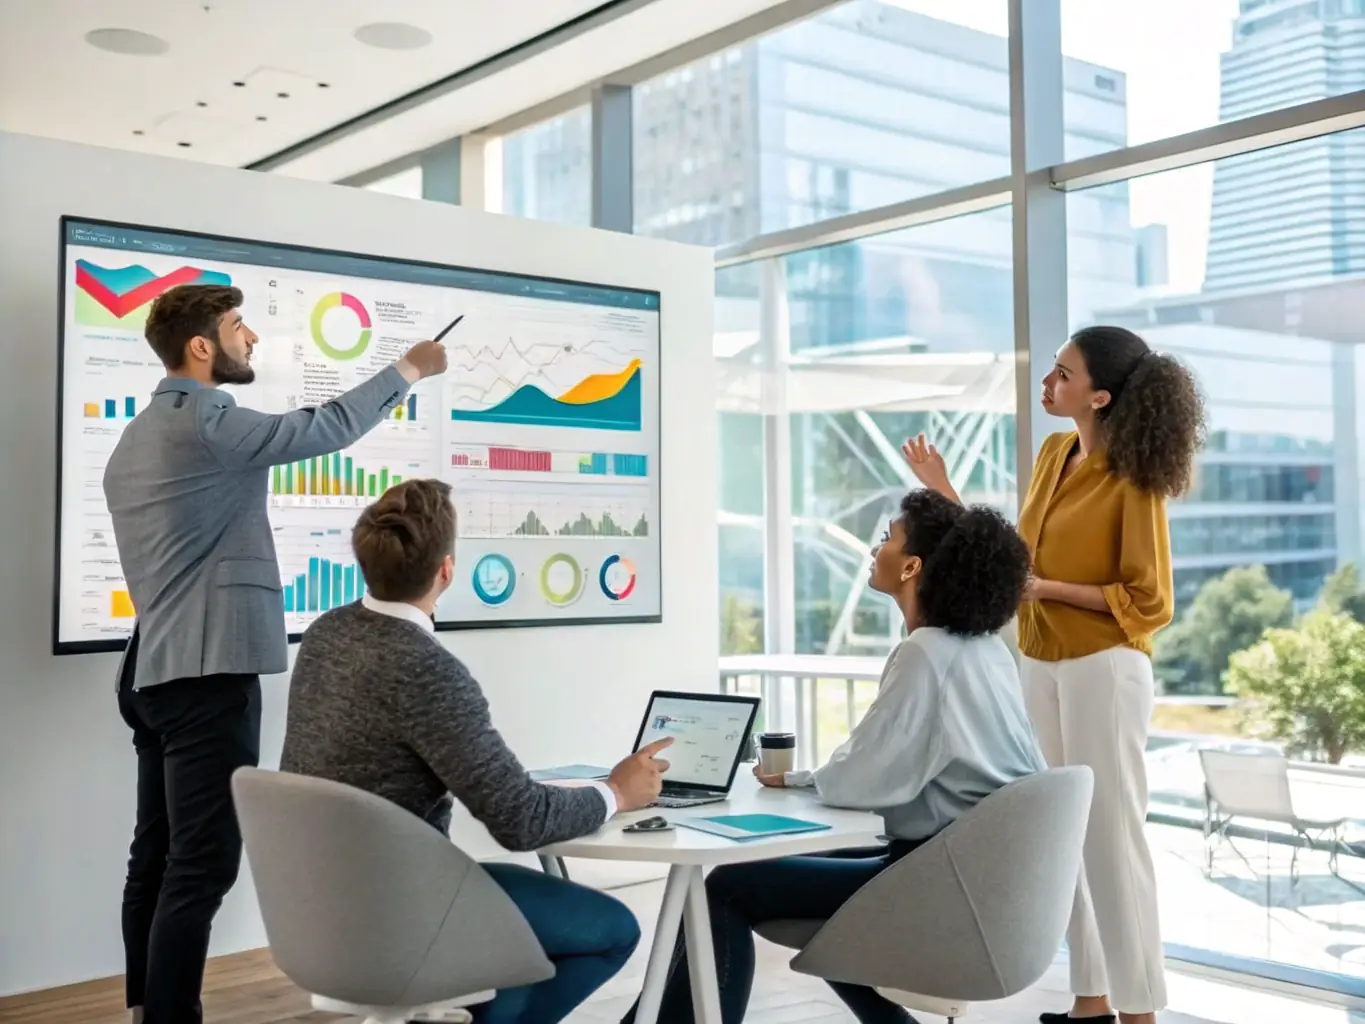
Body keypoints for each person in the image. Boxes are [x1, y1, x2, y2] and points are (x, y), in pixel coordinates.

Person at [104, 283, 448, 1024]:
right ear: (201, 346)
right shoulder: (207, 417)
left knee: (157, 852)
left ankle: (144, 1008)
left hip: (150, 667)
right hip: (204, 668)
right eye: (236, 327)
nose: (250, 338)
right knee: (200, 862)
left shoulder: (138, 432)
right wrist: (408, 371)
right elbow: (317, 430)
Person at [621, 489, 1043, 1024]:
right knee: (781, 880)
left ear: (912, 566)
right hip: (987, 878)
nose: (875, 549)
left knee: (727, 886)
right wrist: (807, 780)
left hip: (938, 879)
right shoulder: (987, 650)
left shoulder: (925, 653)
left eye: (888, 538)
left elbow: (859, 783)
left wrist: (797, 781)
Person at [280, 478, 669, 1024]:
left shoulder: (327, 635)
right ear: (446, 571)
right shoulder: (426, 669)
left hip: (318, 908)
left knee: (505, 962)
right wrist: (615, 793)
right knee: (612, 931)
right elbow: (520, 822)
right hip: (403, 913)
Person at [903, 325, 1206, 1024]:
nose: (1047, 384)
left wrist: (1048, 590)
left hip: (1105, 667)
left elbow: (1147, 599)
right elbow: (1018, 556)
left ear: (1099, 396)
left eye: (1062, 375)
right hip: (1037, 662)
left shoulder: (1133, 476)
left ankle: (1139, 1010)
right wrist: (944, 491)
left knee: (1111, 837)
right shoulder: (1052, 453)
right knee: (1062, 833)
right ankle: (1089, 1002)